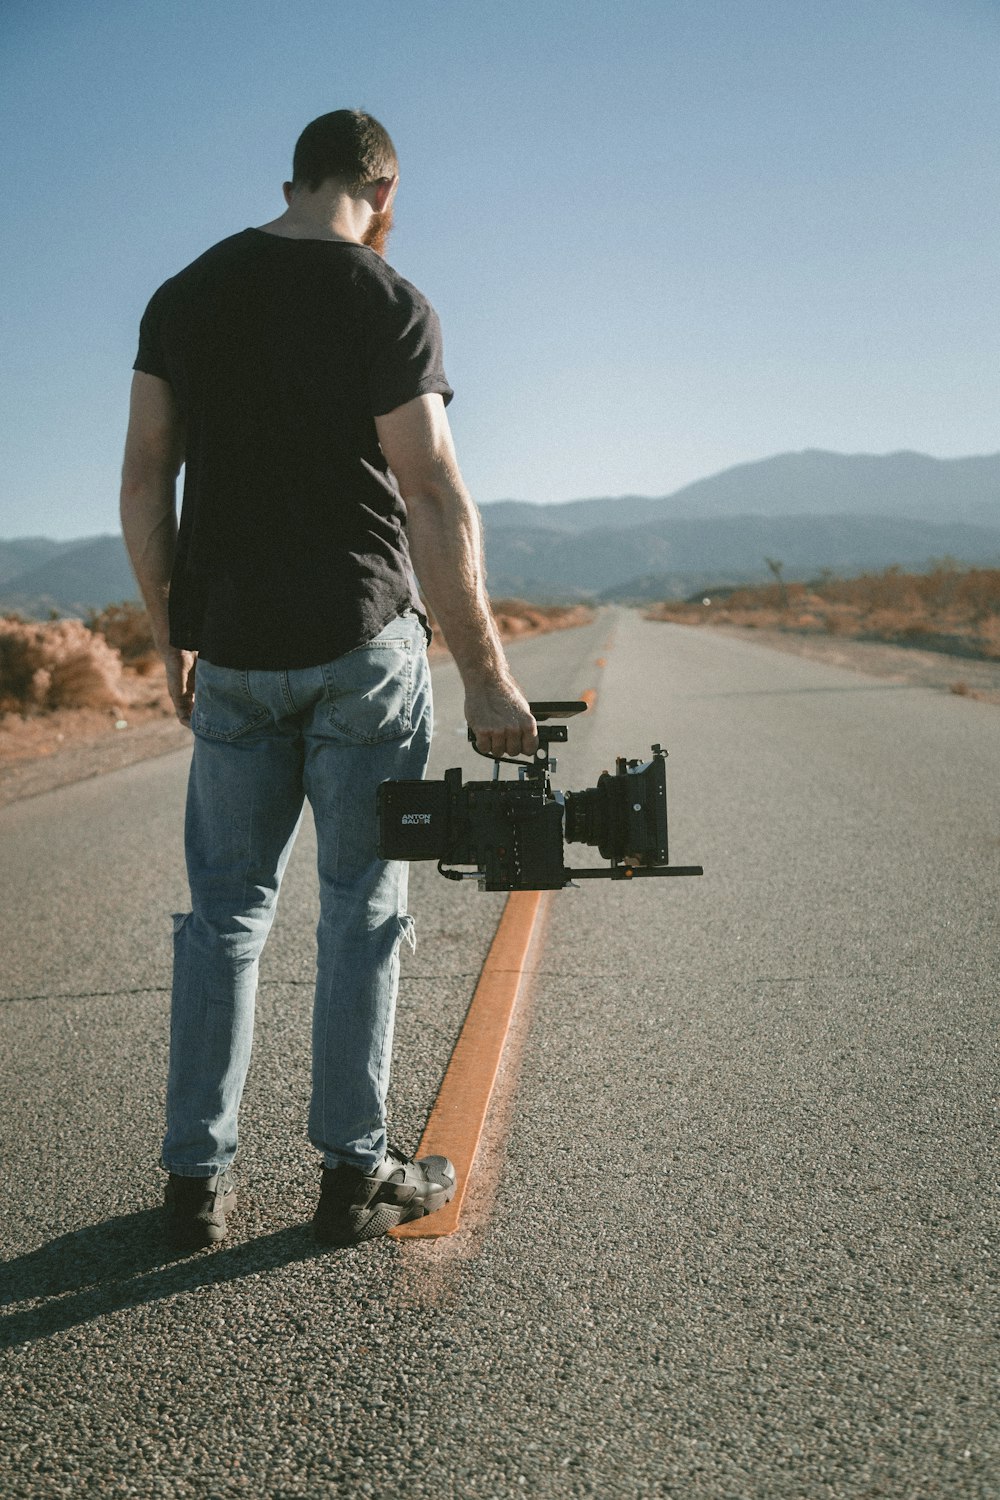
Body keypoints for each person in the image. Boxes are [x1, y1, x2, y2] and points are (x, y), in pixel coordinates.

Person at [120, 109, 537, 1250]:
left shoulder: (186, 293)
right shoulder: (386, 301)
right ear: (383, 187)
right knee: (362, 910)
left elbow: (146, 480)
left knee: (223, 920)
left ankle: (195, 1185)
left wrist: (172, 639)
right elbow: (433, 493)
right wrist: (488, 679)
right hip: (362, 649)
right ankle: (354, 1176)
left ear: (294, 178)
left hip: (237, 653)